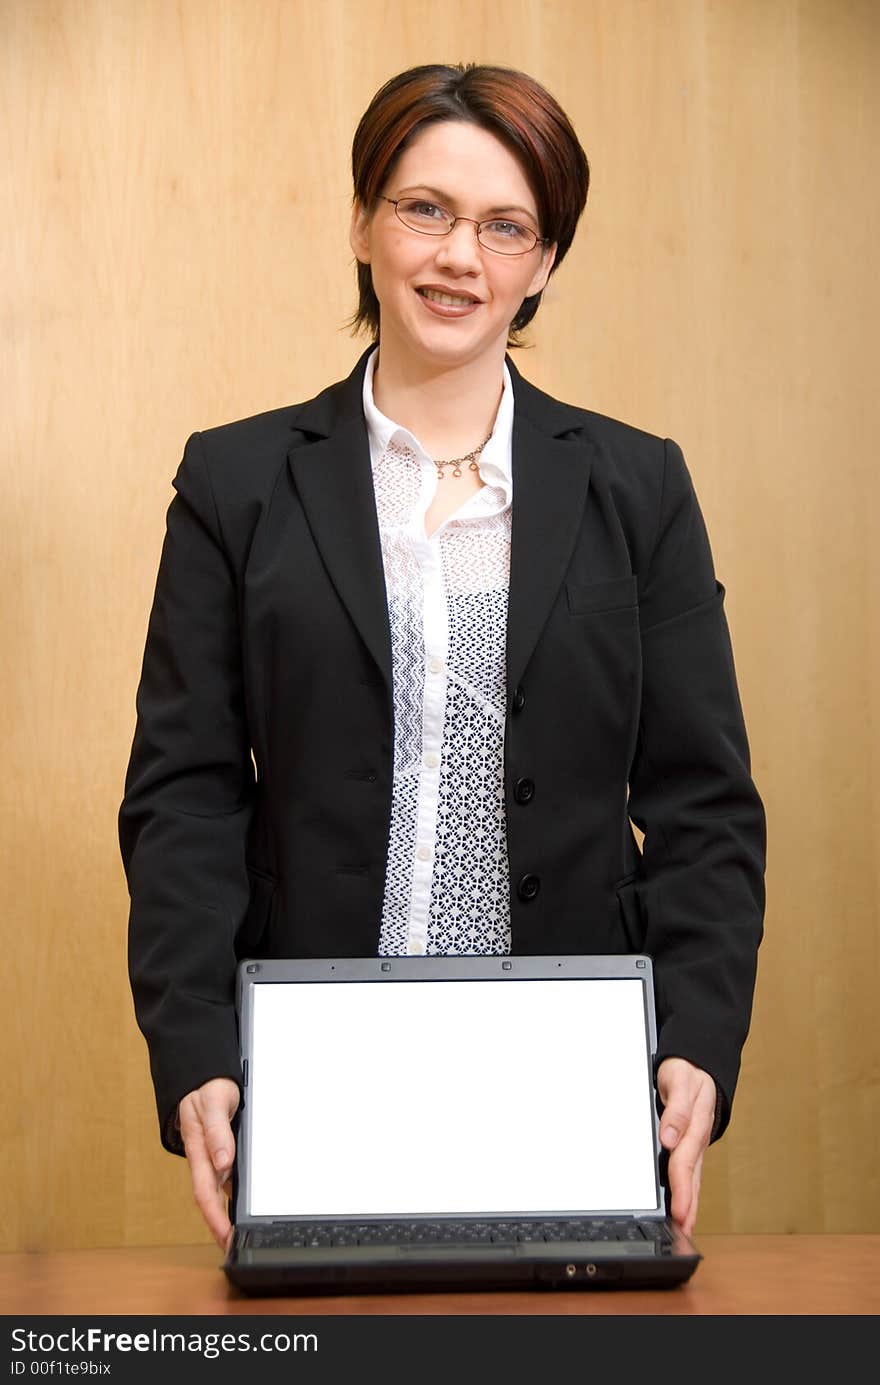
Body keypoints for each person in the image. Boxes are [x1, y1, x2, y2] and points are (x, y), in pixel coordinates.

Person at [119, 62, 766, 1252]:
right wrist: (195, 1044)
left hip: (565, 1060)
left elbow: (702, 802)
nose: (458, 256)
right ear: (362, 220)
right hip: (316, 1056)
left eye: (504, 225)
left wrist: (693, 1039)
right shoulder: (237, 482)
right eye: (424, 209)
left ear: (546, 261)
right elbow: (187, 791)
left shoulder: (639, 487)